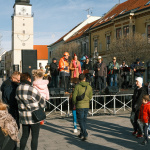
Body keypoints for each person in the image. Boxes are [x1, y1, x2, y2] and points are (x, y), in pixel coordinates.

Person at [16, 73, 46, 150]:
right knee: (34, 137)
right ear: (28, 79)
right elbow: (42, 101)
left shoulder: (18, 88)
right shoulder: (31, 89)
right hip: (34, 116)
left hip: (23, 116)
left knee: (24, 135)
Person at [72, 74, 93, 141]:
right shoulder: (89, 87)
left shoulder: (77, 86)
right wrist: (86, 101)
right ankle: (81, 134)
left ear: (79, 79)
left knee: (80, 120)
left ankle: (85, 134)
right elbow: (90, 97)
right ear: (85, 78)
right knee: (84, 120)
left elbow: (74, 97)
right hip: (86, 105)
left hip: (79, 105)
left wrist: (74, 103)